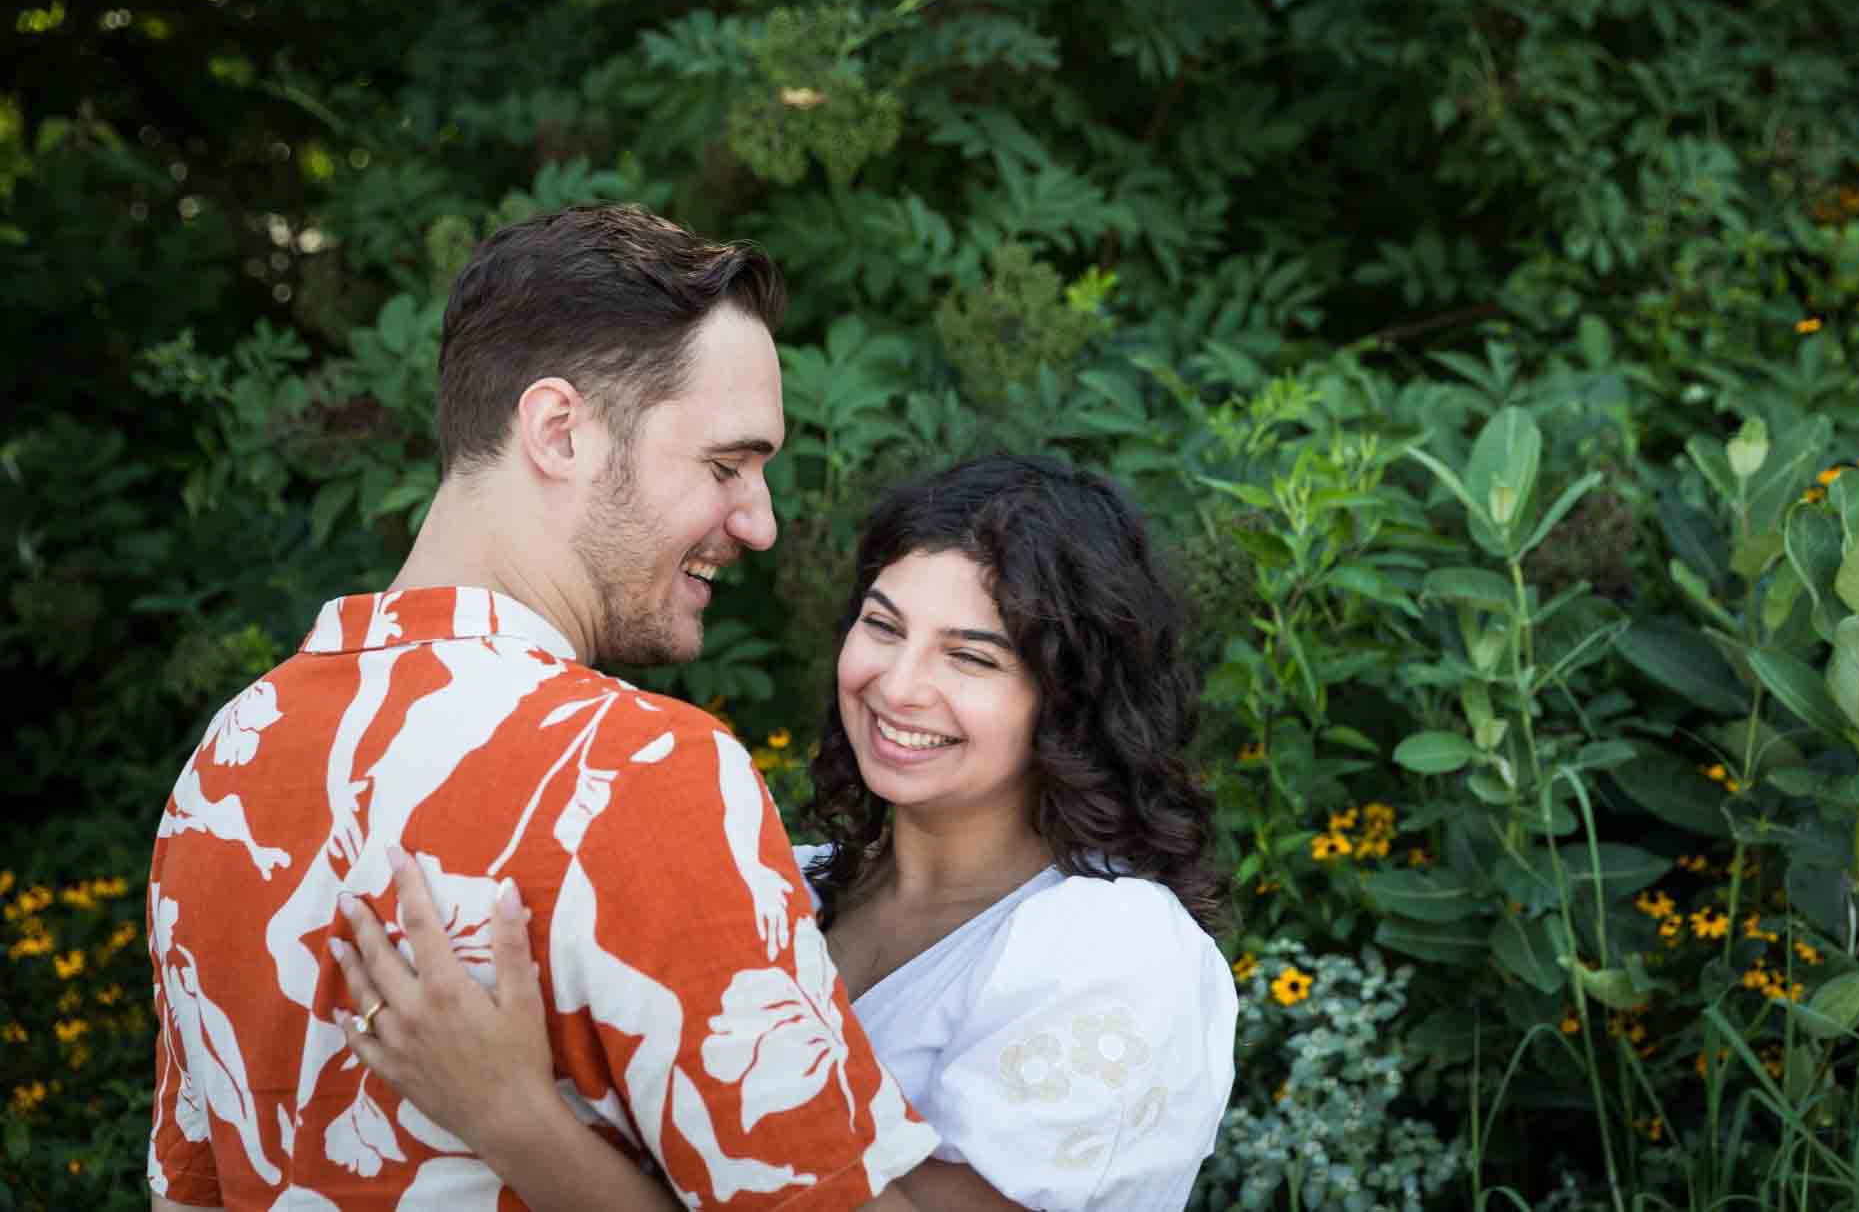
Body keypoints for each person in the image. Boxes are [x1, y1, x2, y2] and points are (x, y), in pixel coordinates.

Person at [146, 204, 940, 1212]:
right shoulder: (642, 774)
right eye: (725, 464)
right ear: (559, 431)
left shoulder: (228, 761)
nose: (761, 522)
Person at [332, 453, 1240, 1211]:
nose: (899, 684)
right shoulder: (782, 883)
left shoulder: (1116, 947)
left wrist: (510, 1116)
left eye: (971, 655)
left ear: (1070, 698)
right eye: (882, 627)